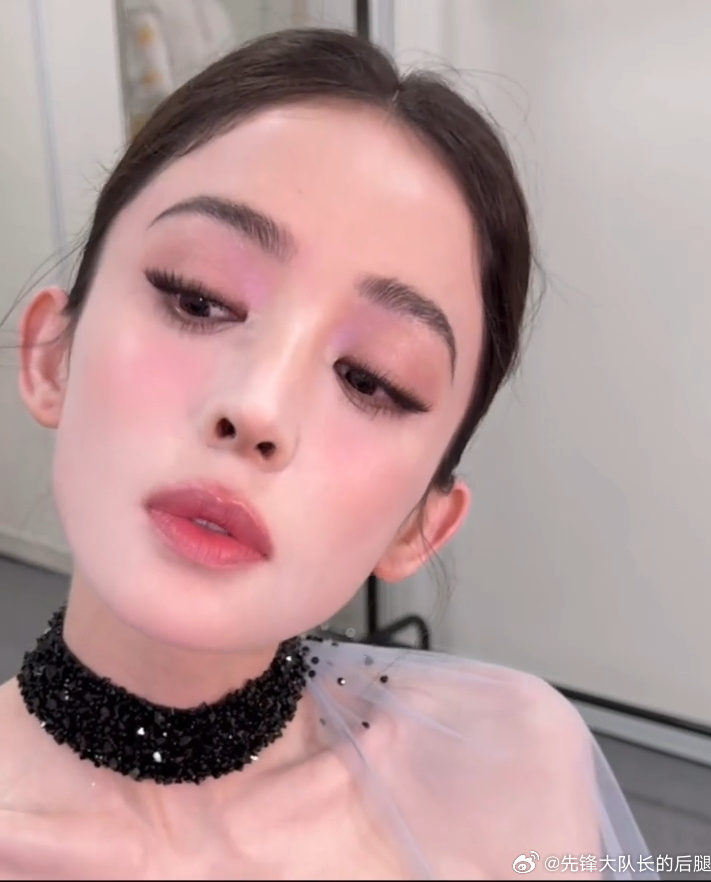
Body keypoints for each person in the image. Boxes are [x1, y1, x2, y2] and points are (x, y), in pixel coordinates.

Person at [0, 28, 656, 881]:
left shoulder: (511, 769)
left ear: (421, 525)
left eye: (371, 380)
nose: (258, 409)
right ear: (51, 355)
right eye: (197, 300)